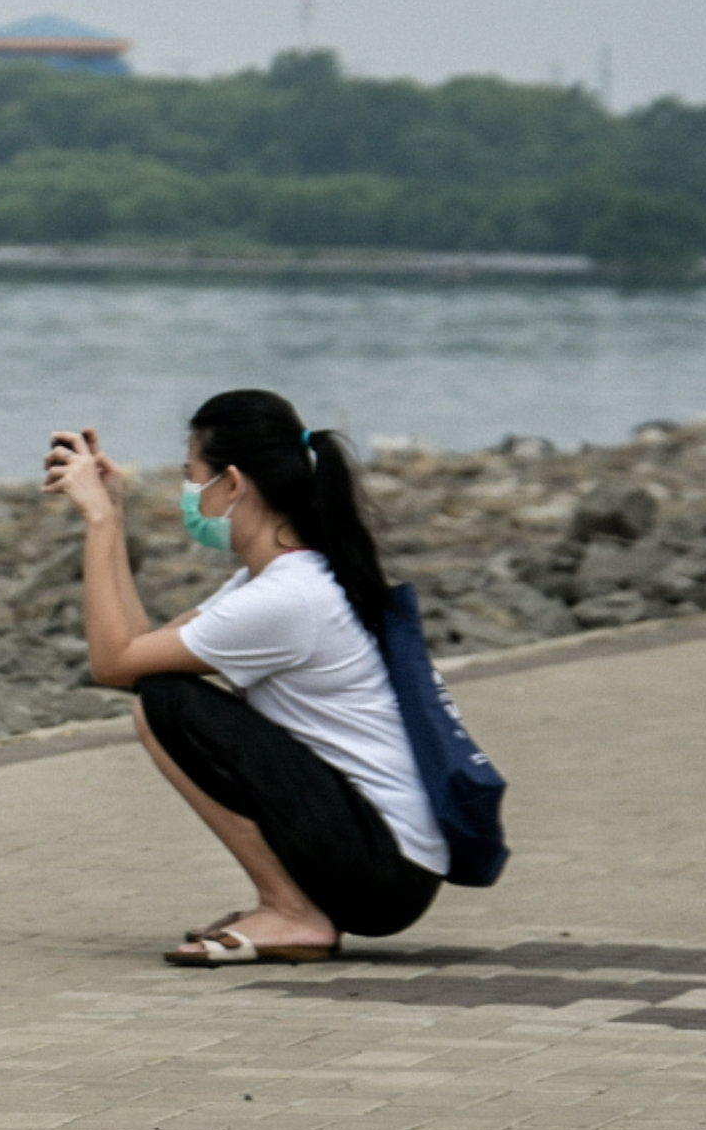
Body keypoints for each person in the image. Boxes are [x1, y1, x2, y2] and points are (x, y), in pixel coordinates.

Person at [42, 388, 446, 965]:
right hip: (384, 858)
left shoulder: (287, 598)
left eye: (191, 477)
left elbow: (113, 663)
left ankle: (293, 913)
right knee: (161, 691)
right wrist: (115, 511)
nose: (188, 496)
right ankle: (294, 906)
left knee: (166, 703)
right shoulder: (284, 577)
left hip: (383, 868)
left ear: (232, 484)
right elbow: (136, 650)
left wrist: (100, 521)